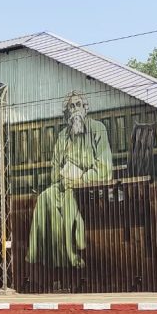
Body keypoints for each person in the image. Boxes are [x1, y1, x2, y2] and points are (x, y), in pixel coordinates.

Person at [27, 90, 113, 269]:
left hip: (89, 186)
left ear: (85, 109)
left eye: (79, 105)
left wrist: (81, 178)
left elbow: (105, 166)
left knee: (67, 200)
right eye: (71, 106)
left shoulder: (98, 128)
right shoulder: (62, 136)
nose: (75, 110)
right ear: (67, 112)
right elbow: (55, 168)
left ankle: (69, 255)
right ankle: (42, 256)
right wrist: (62, 177)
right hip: (66, 183)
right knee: (44, 197)